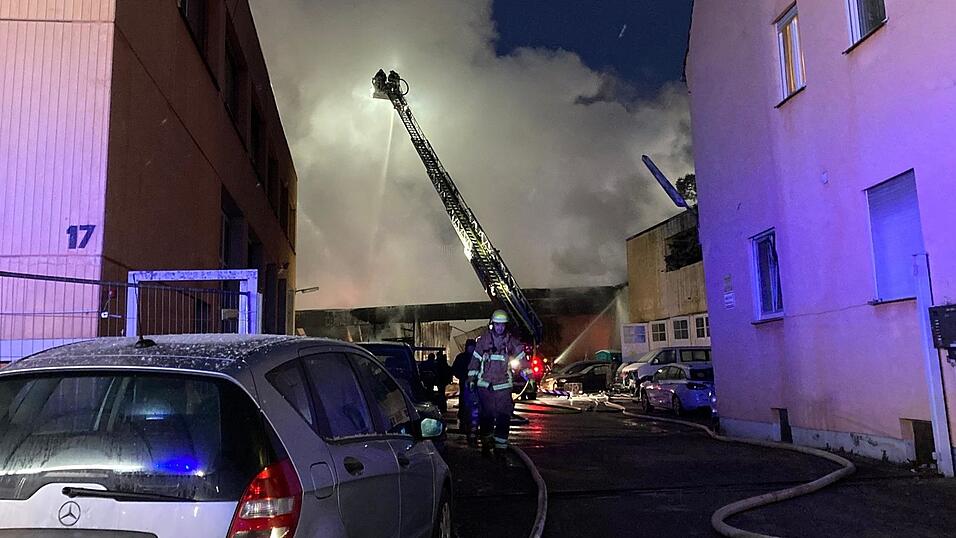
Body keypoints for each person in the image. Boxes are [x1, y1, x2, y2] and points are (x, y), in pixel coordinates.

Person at [467, 309, 530, 459]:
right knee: (486, 417)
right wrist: (471, 378)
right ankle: (487, 444)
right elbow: (475, 361)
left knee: (503, 418)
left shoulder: (511, 342)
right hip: (485, 386)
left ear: (505, 326)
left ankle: (500, 448)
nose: (500, 328)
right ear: (492, 325)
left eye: (502, 325)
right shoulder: (483, 341)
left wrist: (530, 376)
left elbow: (522, 358)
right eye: (497, 325)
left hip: (503, 387)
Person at [452, 339, 479, 446]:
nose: (471, 349)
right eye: (470, 347)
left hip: (476, 385)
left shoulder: (477, 357)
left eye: (473, 347)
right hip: (464, 384)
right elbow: (455, 369)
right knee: (464, 402)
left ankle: (473, 423)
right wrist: (462, 377)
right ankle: (464, 420)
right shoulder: (461, 357)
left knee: (475, 404)